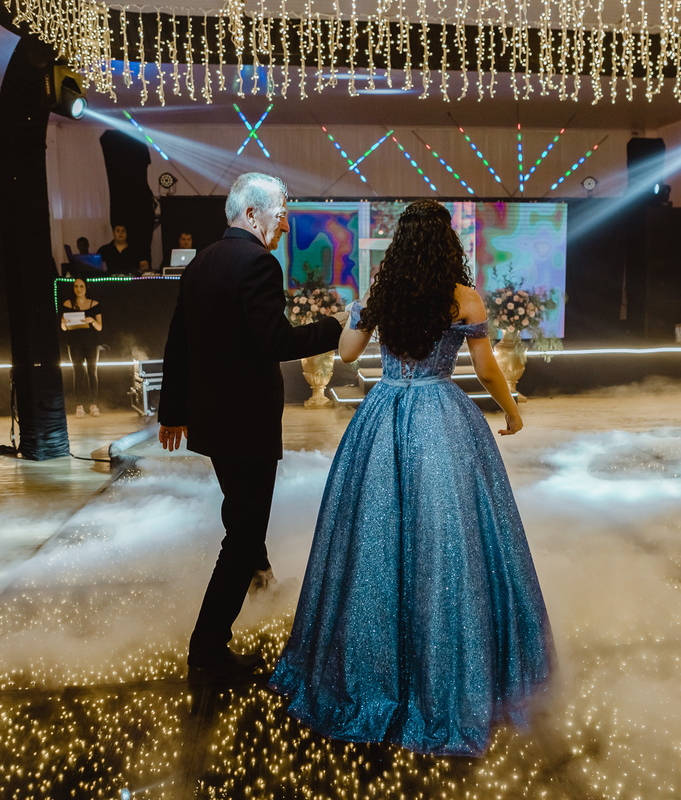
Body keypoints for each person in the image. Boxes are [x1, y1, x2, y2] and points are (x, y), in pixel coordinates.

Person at [270, 199, 554, 757]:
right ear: (448, 242)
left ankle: (370, 671)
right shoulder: (463, 297)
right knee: (448, 542)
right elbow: (486, 367)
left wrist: (358, 313)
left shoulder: (382, 291)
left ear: (401, 242)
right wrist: (510, 410)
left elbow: (349, 355)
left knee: (373, 542)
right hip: (440, 417)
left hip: (382, 414)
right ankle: (451, 675)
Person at [157, 173, 345, 682]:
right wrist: (337, 328)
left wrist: (172, 410)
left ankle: (260, 584)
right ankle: (207, 649)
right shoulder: (259, 262)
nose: (284, 225)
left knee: (241, 516)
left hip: (215, 424)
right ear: (253, 214)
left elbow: (178, 341)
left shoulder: (201, 263)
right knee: (242, 534)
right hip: (246, 424)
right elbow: (275, 342)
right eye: (281, 214)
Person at [59, 277, 102, 417]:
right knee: (78, 372)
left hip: (91, 341)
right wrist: (64, 322)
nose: (78, 289)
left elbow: (100, 327)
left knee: (92, 371)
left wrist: (92, 321)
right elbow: (63, 328)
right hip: (75, 341)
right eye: (76, 286)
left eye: (81, 286)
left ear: (86, 288)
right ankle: (79, 406)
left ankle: (94, 404)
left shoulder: (94, 304)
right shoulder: (67, 304)